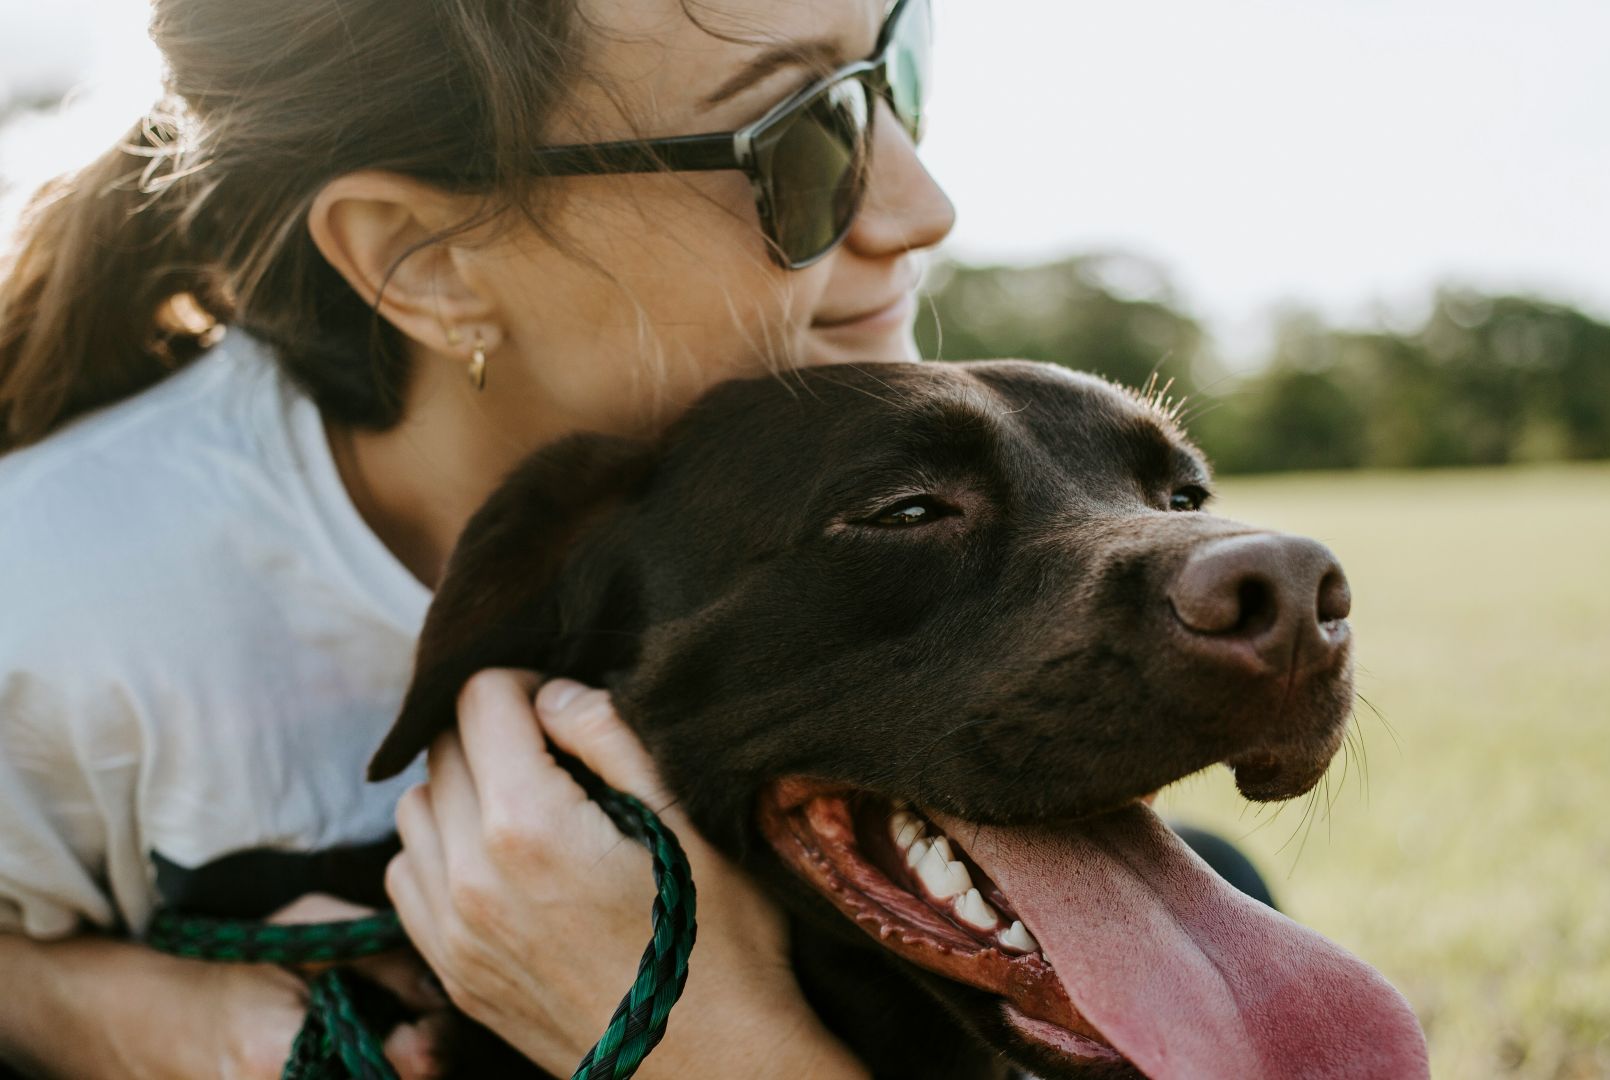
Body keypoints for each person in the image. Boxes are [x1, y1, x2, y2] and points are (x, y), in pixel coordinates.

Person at [0, 0, 949, 1075]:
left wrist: (703, 1043)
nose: (924, 206)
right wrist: (123, 1016)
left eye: (893, 66)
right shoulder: (46, 601)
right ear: (424, 264)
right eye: (804, 136)